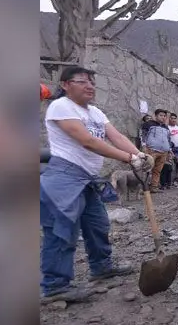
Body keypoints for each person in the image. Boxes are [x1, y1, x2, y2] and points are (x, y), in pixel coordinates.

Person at [39, 65, 151, 301]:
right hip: (64, 176)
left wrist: (139, 155)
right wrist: (129, 158)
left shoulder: (96, 113)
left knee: (97, 224)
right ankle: (56, 285)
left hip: (88, 178)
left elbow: (117, 137)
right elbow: (87, 142)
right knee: (63, 230)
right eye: (82, 81)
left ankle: (101, 266)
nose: (89, 85)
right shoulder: (60, 107)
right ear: (65, 85)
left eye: (91, 81)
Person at [141, 108, 171, 193]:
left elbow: (168, 139)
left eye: (164, 116)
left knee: (157, 170)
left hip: (164, 152)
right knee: (146, 168)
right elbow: (142, 135)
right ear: (155, 116)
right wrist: (143, 146)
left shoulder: (166, 127)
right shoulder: (148, 124)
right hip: (151, 150)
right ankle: (143, 188)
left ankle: (154, 187)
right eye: (161, 115)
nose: (163, 117)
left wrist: (169, 150)